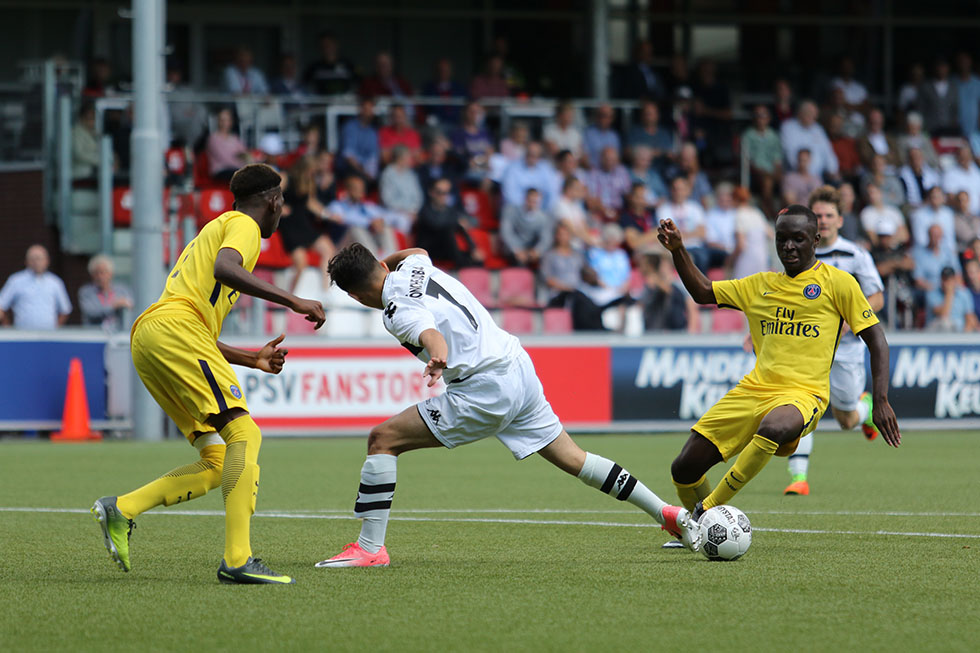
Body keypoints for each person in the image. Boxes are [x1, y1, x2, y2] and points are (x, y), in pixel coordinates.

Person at [315, 244, 702, 567]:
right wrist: (386, 266)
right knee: (574, 458)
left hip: (483, 390)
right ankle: (666, 513)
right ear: (381, 265)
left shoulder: (395, 311)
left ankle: (369, 549)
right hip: (517, 366)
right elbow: (418, 251)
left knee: (383, 439)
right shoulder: (414, 267)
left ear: (354, 296)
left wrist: (437, 357)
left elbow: (430, 334)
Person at [91, 164, 325, 584]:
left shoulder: (215, 227)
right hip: (175, 330)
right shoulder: (243, 226)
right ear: (272, 201)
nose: (281, 212)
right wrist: (292, 300)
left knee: (219, 461)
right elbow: (226, 269)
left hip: (155, 336)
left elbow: (200, 335)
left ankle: (121, 508)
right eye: (282, 203)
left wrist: (252, 360)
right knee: (245, 434)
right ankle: (238, 560)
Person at [657, 205, 900, 524]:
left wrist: (880, 399)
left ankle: (707, 512)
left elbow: (876, 339)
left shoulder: (838, 283)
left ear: (815, 240)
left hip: (804, 395)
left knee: (773, 426)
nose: (789, 246)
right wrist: (678, 250)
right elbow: (703, 292)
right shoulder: (759, 284)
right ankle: (698, 531)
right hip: (753, 390)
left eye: (798, 239)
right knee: (683, 469)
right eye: (782, 239)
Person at [781, 186, 886, 496]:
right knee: (798, 404)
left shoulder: (855, 255)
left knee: (845, 419)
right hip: (805, 347)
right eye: (818, 216)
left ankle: (863, 409)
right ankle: (798, 477)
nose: (823, 221)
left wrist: (849, 317)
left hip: (847, 350)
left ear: (840, 220)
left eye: (829, 215)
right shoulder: (796, 254)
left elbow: (877, 297)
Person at [280, 157, 337, 291]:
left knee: (329, 250)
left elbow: (310, 203)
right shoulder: (285, 177)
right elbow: (270, 194)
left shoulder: (308, 181)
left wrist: (327, 214)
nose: (312, 174)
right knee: (301, 265)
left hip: (303, 223)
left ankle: (325, 291)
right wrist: (279, 207)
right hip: (289, 225)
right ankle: (289, 297)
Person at [0, 245, 72, 330]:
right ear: (26, 261)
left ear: (47, 261)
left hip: (49, 335)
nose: (37, 262)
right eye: (33, 259)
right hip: (22, 335)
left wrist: (55, 329)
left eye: (40, 259)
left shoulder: (55, 282)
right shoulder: (16, 281)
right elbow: (1, 306)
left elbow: (65, 310)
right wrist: (8, 328)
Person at [414, 178, 479, 268]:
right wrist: (456, 222)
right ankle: (462, 266)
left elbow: (461, 228)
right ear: (431, 192)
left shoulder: (450, 211)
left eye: (446, 193)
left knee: (475, 259)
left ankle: (468, 265)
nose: (443, 196)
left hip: (446, 249)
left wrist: (473, 248)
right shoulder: (425, 211)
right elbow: (437, 225)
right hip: (429, 250)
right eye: (439, 192)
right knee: (449, 231)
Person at [326, 176, 397, 257]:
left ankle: (391, 259)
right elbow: (343, 220)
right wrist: (369, 223)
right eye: (356, 189)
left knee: (386, 228)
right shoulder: (337, 205)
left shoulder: (366, 206)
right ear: (348, 190)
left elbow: (387, 216)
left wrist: (380, 221)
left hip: (367, 238)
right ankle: (374, 261)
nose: (360, 192)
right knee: (356, 229)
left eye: (362, 189)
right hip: (344, 241)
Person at [657, 176, 708, 271]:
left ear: (687, 191)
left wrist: (678, 235)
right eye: (675, 189)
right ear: (671, 190)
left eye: (681, 189)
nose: (678, 192)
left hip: (695, 247)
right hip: (674, 248)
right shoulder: (663, 209)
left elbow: (702, 233)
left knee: (704, 257)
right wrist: (692, 233)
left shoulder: (695, 208)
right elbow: (665, 233)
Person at [780, 100, 839, 182]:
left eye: (815, 114)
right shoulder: (788, 127)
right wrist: (806, 174)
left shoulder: (818, 129)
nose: (814, 117)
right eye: (810, 113)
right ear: (800, 113)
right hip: (796, 175)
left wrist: (833, 171)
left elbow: (828, 153)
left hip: (820, 177)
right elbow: (790, 155)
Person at [741, 104, 783, 218]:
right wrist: (762, 171)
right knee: (767, 181)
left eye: (763, 116)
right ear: (754, 118)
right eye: (758, 116)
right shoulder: (748, 135)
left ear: (768, 118)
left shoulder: (773, 135)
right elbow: (747, 160)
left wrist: (777, 171)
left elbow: (777, 157)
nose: (761, 119)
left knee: (787, 180)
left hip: (772, 170)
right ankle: (769, 211)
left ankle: (785, 212)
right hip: (756, 172)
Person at [79, 254, 133, 331]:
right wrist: (114, 306)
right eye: (97, 273)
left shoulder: (122, 291)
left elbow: (130, 308)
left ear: (111, 273)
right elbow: (91, 312)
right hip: (94, 335)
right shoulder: (86, 292)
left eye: (104, 272)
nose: (100, 276)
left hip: (118, 335)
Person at [500, 188, 552, 266]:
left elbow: (546, 238)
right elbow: (506, 232)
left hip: (531, 249)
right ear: (525, 199)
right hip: (513, 249)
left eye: (535, 202)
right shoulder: (511, 211)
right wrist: (516, 250)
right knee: (519, 261)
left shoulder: (543, 218)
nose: (532, 204)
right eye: (530, 201)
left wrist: (537, 251)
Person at [731, 186, 772, 279]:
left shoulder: (739, 215)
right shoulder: (757, 213)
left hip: (747, 258)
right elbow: (771, 234)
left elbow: (741, 245)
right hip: (762, 257)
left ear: (735, 200)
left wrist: (730, 260)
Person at [379, 145, 424, 223]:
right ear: (400, 158)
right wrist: (405, 212)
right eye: (408, 157)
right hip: (393, 212)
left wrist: (413, 211)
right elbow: (387, 199)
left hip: (412, 212)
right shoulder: (387, 174)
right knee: (403, 221)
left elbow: (418, 196)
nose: (411, 160)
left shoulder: (411, 174)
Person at [339, 96, 380, 181]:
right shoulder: (350, 127)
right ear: (360, 109)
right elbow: (348, 156)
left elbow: (373, 156)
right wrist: (363, 172)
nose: (368, 112)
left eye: (371, 109)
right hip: (350, 169)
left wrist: (370, 173)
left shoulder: (372, 131)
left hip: (366, 171)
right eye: (366, 109)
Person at [926, 266, 977, 332]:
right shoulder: (932, 293)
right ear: (941, 280)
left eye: (950, 279)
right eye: (945, 279)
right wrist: (949, 293)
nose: (947, 282)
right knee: (945, 323)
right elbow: (943, 315)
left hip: (959, 332)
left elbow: (969, 316)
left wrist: (966, 334)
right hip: (937, 332)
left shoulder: (964, 293)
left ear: (954, 279)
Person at [861, 183, 909, 248]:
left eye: (873, 192)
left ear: (880, 193)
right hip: (879, 251)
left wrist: (891, 242)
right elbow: (873, 239)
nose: (871, 196)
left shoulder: (894, 210)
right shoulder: (866, 213)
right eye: (868, 194)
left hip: (898, 250)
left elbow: (904, 236)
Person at [206, 108, 249, 182]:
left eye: (226, 120)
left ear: (230, 122)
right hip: (221, 171)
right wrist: (242, 166)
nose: (224, 123)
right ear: (218, 121)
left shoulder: (235, 138)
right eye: (221, 120)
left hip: (236, 169)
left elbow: (245, 154)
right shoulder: (213, 139)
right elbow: (225, 159)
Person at [421, 58, 466, 126]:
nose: (443, 73)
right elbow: (424, 108)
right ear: (435, 71)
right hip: (436, 124)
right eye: (440, 70)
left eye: (446, 70)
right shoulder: (429, 88)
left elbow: (467, 104)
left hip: (457, 123)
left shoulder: (459, 88)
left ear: (450, 71)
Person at [910, 186, 955, 252]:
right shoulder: (919, 215)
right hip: (925, 252)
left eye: (939, 197)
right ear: (929, 198)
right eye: (934, 197)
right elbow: (920, 240)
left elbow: (950, 239)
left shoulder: (948, 214)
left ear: (943, 198)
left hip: (945, 252)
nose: (936, 199)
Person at [942, 145, 980, 216]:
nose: (964, 158)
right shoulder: (950, 174)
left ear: (971, 157)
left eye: (966, 156)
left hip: (977, 215)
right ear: (957, 157)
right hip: (959, 214)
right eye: (961, 156)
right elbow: (950, 197)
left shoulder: (976, 172)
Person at [72, 102, 102, 181]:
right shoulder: (76, 132)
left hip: (91, 174)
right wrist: (100, 160)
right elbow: (79, 154)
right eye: (89, 118)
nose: (92, 122)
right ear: (81, 118)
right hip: (79, 175)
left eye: (93, 118)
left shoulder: (93, 133)